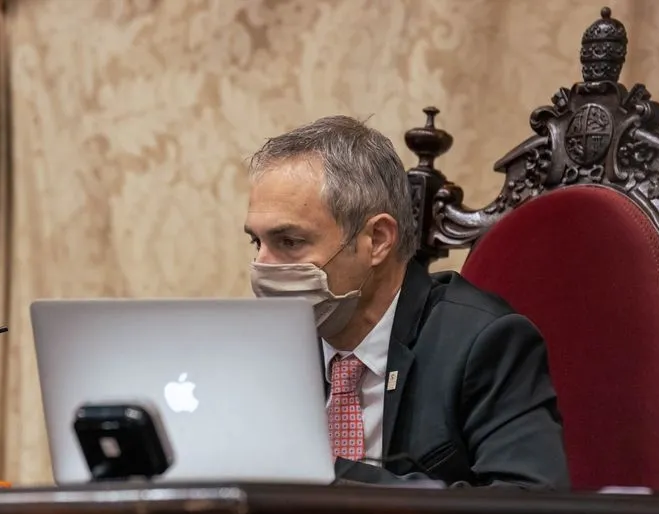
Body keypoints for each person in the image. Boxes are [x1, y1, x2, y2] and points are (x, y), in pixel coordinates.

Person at [244, 115, 570, 490]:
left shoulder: (482, 342)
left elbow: (527, 505)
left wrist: (325, 477)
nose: (261, 266)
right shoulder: (263, 349)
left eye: (289, 242)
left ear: (378, 240)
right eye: (257, 242)